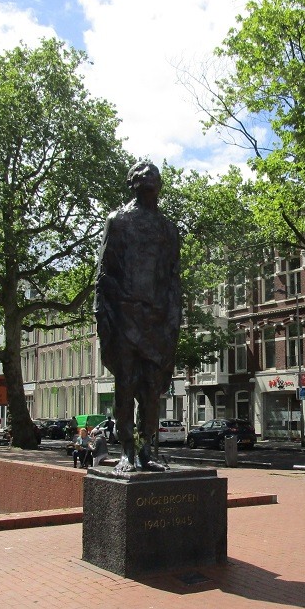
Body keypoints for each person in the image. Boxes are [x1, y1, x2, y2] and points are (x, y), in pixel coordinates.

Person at [94, 161, 181, 473]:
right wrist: (103, 315)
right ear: (132, 184)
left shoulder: (169, 230)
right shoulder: (117, 222)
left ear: (159, 186)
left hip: (156, 320)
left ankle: (146, 450)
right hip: (126, 314)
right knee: (126, 385)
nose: (148, 182)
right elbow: (104, 273)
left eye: (153, 178)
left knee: (151, 388)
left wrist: (174, 317)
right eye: (142, 178)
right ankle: (127, 450)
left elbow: (173, 278)